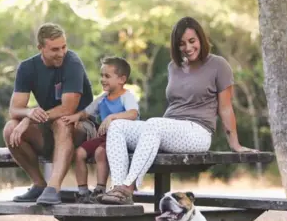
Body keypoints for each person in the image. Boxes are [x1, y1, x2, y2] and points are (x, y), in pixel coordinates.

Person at [98, 16, 258, 205]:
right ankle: (117, 188)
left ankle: (128, 188)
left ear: (201, 39)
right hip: (168, 129)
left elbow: (225, 107)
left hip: (198, 132)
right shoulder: (173, 67)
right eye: (182, 44)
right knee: (118, 127)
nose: (188, 48)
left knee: (154, 124)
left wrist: (235, 144)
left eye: (192, 41)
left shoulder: (218, 65)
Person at [3, 23, 95, 205]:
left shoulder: (73, 63)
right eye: (54, 49)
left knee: (62, 122)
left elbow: (68, 109)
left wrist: (28, 120)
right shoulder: (27, 68)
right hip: (50, 128)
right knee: (10, 128)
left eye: (63, 47)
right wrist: (28, 113)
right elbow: (15, 110)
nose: (61, 53)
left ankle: (53, 188)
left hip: (82, 126)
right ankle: (39, 184)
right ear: (40, 48)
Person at [62, 57, 140, 203]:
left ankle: (100, 189)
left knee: (99, 152)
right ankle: (83, 192)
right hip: (103, 137)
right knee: (79, 153)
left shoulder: (126, 96)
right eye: (102, 75)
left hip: (119, 140)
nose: (103, 79)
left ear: (121, 79)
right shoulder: (103, 98)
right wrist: (75, 117)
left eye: (107, 76)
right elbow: (87, 112)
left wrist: (112, 117)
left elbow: (133, 113)